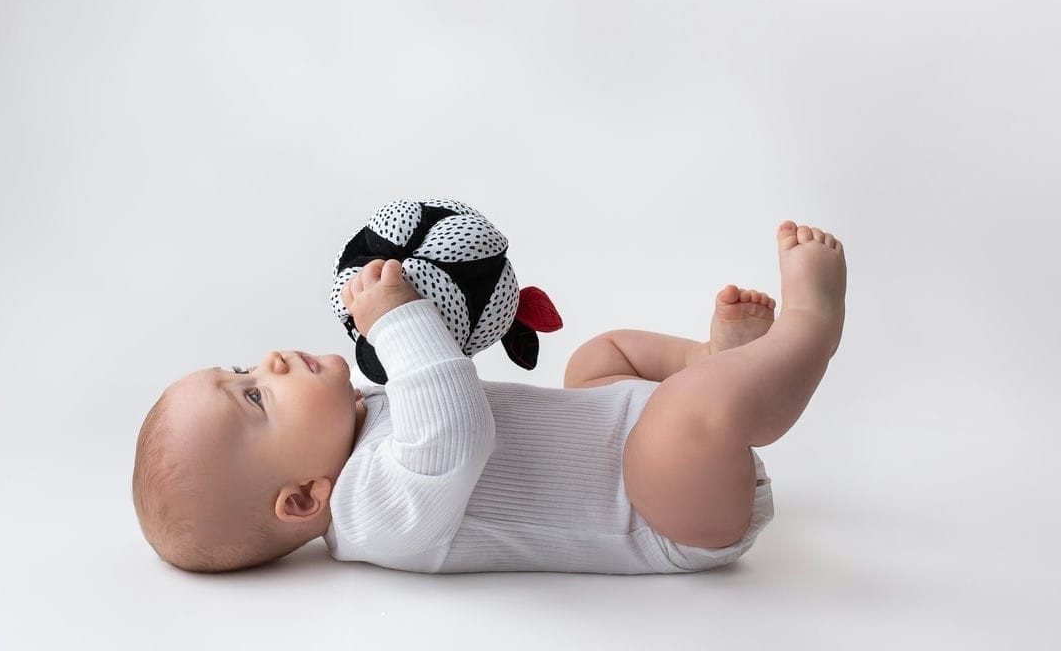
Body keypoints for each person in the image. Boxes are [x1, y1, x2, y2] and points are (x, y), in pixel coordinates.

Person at [132, 220, 846, 574]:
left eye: (242, 369)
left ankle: (714, 365)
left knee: (600, 358)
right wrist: (398, 321)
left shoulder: (365, 419)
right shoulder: (372, 513)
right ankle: (809, 326)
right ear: (302, 499)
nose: (270, 362)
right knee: (686, 419)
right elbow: (455, 429)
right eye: (256, 397)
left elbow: (441, 380)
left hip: (636, 437)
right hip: (665, 516)